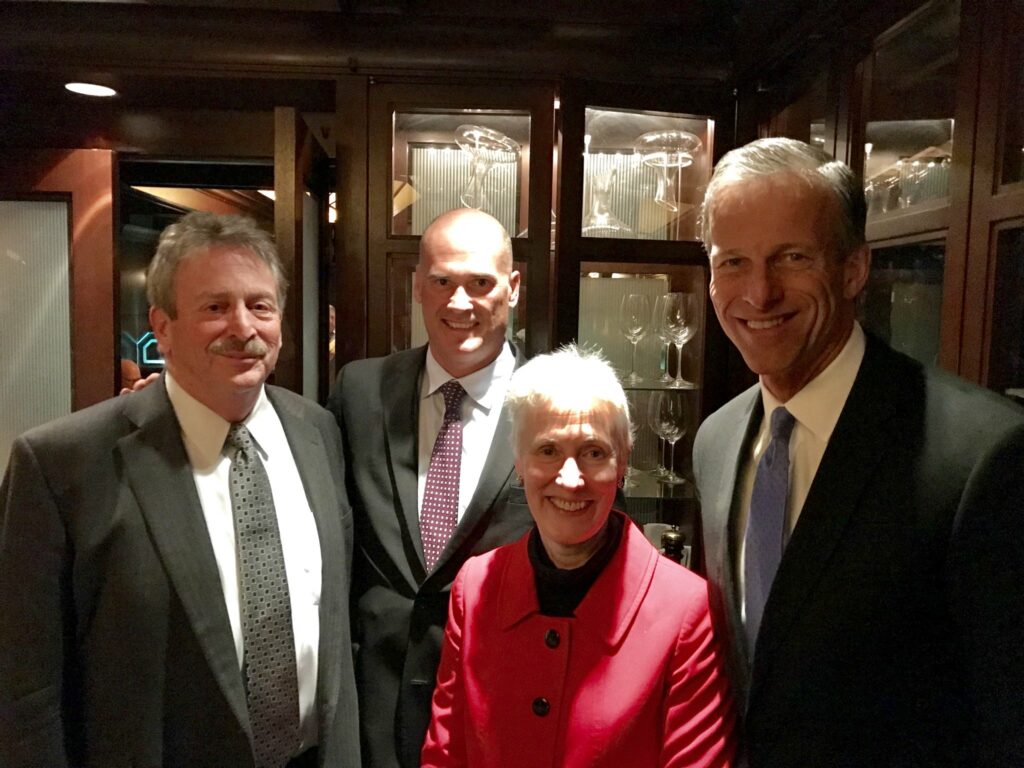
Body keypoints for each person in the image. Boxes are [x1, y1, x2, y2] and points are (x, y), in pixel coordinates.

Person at [692, 137, 1024, 766]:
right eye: (733, 262)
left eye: (791, 257)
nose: (758, 294)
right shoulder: (715, 441)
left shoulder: (984, 454)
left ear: (853, 269)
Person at [0, 212, 360, 768]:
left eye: (260, 305)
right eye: (215, 307)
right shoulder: (63, 464)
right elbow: (27, 692)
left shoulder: (317, 432)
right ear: (161, 326)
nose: (243, 328)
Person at [421, 346, 736, 767]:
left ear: (622, 462)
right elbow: (445, 756)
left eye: (593, 452)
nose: (570, 479)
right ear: (519, 463)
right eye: (548, 450)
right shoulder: (475, 587)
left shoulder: (687, 610)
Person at [325, 208, 533, 768]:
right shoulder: (359, 393)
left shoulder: (553, 402)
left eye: (480, 283)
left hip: (500, 702)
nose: (459, 303)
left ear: (512, 288)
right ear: (418, 285)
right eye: (442, 281)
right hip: (372, 706)